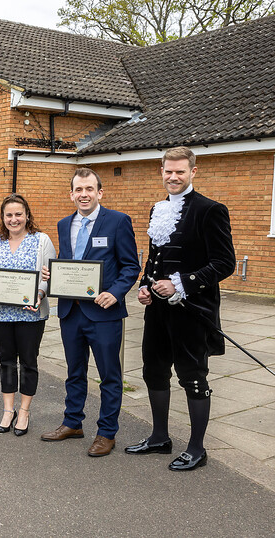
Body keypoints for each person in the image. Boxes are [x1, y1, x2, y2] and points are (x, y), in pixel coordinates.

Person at [125, 147, 235, 471]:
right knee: (153, 370)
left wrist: (182, 282)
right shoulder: (157, 209)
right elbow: (155, 259)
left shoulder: (210, 210)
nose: (173, 177)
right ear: (161, 171)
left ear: (193, 172)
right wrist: (145, 284)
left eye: (180, 172)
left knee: (192, 376)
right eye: (168, 171)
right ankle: (160, 436)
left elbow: (224, 263)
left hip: (192, 311)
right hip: (158, 311)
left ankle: (197, 448)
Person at [41, 168, 139, 457]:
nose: (83, 195)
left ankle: (106, 432)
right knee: (74, 372)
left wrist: (116, 292)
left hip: (103, 313)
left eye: (89, 189)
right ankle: (73, 422)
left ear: (100, 192)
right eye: (78, 190)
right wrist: (53, 273)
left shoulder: (118, 221)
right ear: (71, 194)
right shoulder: (63, 224)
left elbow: (131, 266)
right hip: (71, 311)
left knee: (109, 376)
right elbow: (71, 265)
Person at [0, 194, 56, 437]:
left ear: (27, 216)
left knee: (28, 361)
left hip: (30, 314)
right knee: (5, 361)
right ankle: (8, 410)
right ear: (3, 218)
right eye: (9, 215)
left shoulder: (41, 240)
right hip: (0, 313)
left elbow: (50, 276)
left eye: (18, 214)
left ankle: (24, 411)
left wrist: (41, 294)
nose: (14, 219)